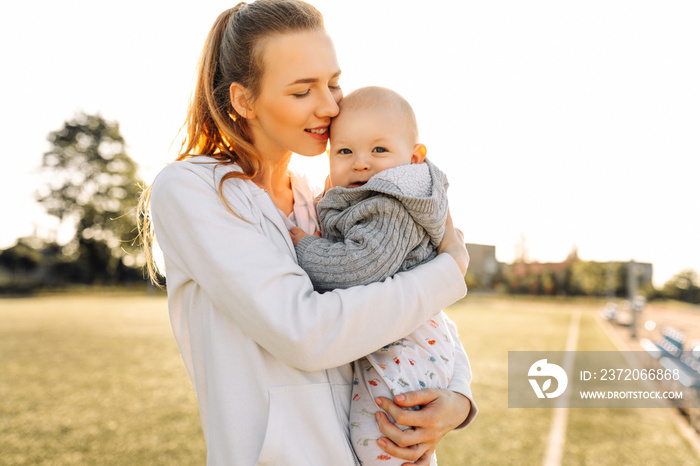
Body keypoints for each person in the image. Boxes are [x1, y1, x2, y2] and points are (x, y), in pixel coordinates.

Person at [139, 1, 475, 464]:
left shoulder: (328, 197)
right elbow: (306, 333)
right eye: (303, 92)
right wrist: (449, 270)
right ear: (244, 101)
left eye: (333, 83)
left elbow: (415, 318)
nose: (331, 105)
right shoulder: (193, 190)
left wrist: (457, 400)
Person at [289, 86, 470, 466]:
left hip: (405, 347)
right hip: (407, 334)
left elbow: (358, 267)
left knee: (383, 439)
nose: (360, 163)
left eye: (379, 150)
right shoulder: (369, 197)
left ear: (415, 158)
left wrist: (305, 247)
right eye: (345, 151)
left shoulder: (390, 205)